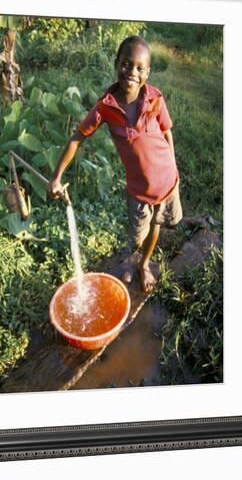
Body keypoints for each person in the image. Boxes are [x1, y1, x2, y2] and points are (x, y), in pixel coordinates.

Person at [47, 36, 182, 293]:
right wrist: (56, 176)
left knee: (157, 226)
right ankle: (134, 256)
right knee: (137, 234)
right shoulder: (105, 108)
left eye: (140, 68)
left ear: (148, 72)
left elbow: (167, 132)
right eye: (126, 64)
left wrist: (173, 166)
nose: (132, 72)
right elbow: (77, 138)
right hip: (139, 190)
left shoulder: (155, 99)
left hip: (167, 182)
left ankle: (143, 265)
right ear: (116, 63)